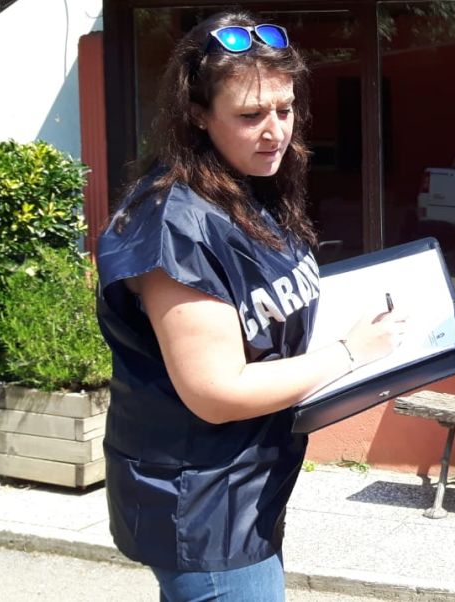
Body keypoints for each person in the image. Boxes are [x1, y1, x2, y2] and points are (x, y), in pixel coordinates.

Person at [95, 12, 405, 600]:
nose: (275, 131)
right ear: (197, 115)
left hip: (248, 492)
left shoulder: (252, 193)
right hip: (206, 507)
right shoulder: (174, 224)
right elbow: (216, 391)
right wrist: (348, 353)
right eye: (249, 115)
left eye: (284, 109)